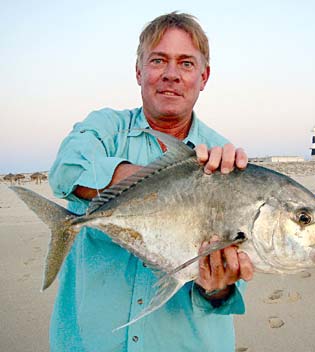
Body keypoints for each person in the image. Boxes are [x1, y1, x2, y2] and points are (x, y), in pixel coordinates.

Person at [49, 12, 254, 352]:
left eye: (186, 63)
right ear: (138, 71)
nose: (171, 75)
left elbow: (227, 292)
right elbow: (67, 171)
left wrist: (218, 285)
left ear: (203, 77)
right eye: (158, 60)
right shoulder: (104, 129)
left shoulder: (223, 161)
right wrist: (166, 191)